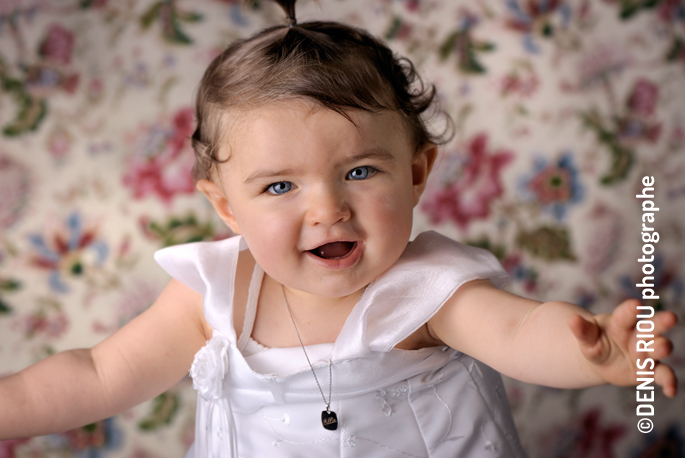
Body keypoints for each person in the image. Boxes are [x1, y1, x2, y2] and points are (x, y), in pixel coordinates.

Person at [0, 0, 678, 456]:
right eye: (278, 186)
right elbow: (95, 374)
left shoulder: (427, 290)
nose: (326, 210)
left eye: (358, 172)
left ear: (417, 172)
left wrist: (591, 352)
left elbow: (518, 332)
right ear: (227, 208)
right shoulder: (212, 295)